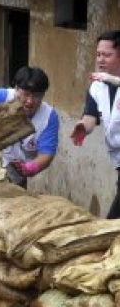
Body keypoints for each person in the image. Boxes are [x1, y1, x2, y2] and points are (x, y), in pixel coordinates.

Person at [72, 30, 120, 218]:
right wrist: (83, 126)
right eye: (98, 54)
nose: (101, 59)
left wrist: (110, 79)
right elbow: (91, 116)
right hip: (117, 157)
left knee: (114, 220)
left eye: (107, 55)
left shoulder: (105, 79)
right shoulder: (97, 86)